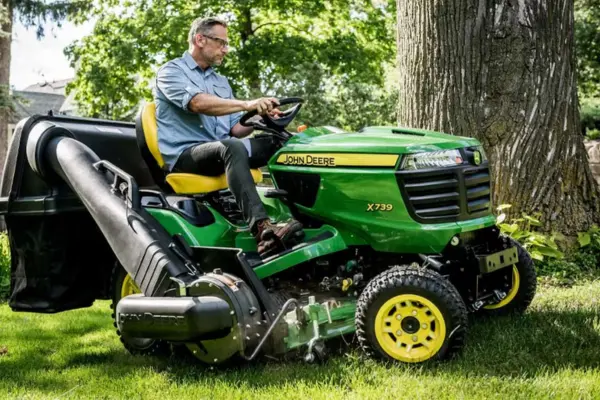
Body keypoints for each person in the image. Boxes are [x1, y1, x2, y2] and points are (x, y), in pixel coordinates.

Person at [153, 17, 302, 255]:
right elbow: (197, 103)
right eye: (221, 42)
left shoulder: (220, 81)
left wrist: (260, 115)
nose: (226, 49)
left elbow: (236, 129)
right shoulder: (171, 72)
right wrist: (247, 103)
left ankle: (305, 216)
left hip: (223, 149)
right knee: (230, 147)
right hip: (187, 155)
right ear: (200, 39)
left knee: (283, 142)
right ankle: (263, 230)